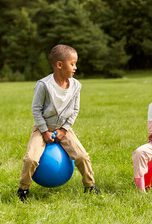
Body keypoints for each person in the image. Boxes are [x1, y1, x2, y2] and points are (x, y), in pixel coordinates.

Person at [17, 44, 99, 202]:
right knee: (31, 159)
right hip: (43, 129)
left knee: (82, 156)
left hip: (64, 129)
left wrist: (64, 130)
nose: (75, 67)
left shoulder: (76, 86)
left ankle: (89, 185)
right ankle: (23, 189)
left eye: (75, 63)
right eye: (72, 63)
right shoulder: (44, 85)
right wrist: (44, 131)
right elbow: (36, 110)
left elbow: (75, 110)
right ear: (59, 65)